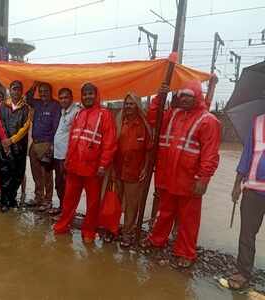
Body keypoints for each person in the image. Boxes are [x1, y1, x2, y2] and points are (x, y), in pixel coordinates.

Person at [141, 80, 221, 268]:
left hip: (189, 180)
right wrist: (160, 96)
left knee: (188, 219)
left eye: (189, 96)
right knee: (165, 213)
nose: (184, 99)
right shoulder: (173, 114)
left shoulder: (208, 121)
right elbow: (153, 118)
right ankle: (157, 240)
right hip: (168, 177)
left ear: (197, 98)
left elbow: (210, 154)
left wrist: (203, 179)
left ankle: (185, 252)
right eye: (182, 95)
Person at [54, 82, 117, 243]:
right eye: (85, 94)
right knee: (68, 201)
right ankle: (62, 226)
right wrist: (67, 161)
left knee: (93, 204)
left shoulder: (105, 114)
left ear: (96, 95)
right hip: (74, 166)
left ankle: (89, 232)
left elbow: (109, 143)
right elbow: (72, 140)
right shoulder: (79, 114)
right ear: (81, 96)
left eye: (90, 93)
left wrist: (103, 165)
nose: (88, 96)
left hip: (94, 169)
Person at [227, 114, 265, 289]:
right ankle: (243, 272)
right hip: (253, 191)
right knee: (247, 234)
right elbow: (247, 154)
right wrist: (237, 184)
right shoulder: (257, 122)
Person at [111, 92, 151, 247]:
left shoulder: (144, 125)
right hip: (118, 169)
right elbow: (112, 146)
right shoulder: (119, 121)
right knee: (116, 202)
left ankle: (127, 232)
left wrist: (146, 168)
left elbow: (148, 150)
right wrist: (112, 170)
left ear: (137, 105)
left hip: (134, 171)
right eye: (126, 103)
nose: (128, 106)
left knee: (132, 205)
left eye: (131, 103)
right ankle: (112, 228)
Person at [26, 82, 61, 212]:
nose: (43, 93)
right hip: (34, 143)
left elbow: (56, 126)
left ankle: (48, 200)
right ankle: (38, 198)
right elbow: (27, 98)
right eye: (40, 91)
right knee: (36, 174)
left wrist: (52, 146)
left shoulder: (55, 105)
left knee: (47, 175)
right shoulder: (37, 103)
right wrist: (33, 85)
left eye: (45, 90)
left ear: (51, 92)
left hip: (47, 143)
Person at [0, 80, 32, 212]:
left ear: (21, 91)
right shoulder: (2, 105)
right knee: (5, 174)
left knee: (18, 174)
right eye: (13, 89)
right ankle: (4, 202)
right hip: (5, 146)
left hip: (19, 147)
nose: (16, 91)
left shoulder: (27, 108)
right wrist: (4, 140)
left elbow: (26, 126)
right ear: (9, 90)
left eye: (18, 89)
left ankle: (12, 199)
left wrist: (12, 140)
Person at [50, 88, 80, 216]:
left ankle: (68, 211)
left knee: (67, 186)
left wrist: (71, 155)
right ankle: (63, 208)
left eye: (66, 97)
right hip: (58, 154)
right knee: (60, 184)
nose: (63, 100)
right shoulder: (63, 111)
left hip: (67, 156)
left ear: (71, 98)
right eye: (61, 98)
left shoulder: (77, 112)